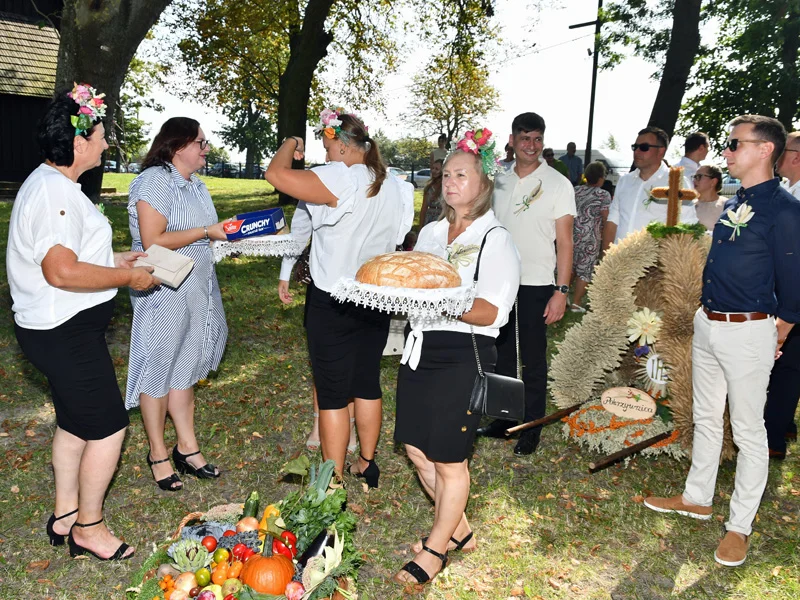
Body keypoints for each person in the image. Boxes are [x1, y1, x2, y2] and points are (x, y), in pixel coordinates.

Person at [7, 85, 158, 560]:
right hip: (63, 331)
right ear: (77, 143)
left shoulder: (53, 185)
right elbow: (61, 271)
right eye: (99, 136)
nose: (106, 144)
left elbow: (65, 257)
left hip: (55, 328)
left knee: (75, 424)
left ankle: (65, 515)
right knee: (109, 427)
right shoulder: (55, 193)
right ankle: (89, 528)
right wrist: (128, 276)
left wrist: (113, 258)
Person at [644, 115, 800, 567]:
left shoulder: (786, 211)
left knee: (750, 430)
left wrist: (780, 331)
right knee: (708, 416)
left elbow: (794, 282)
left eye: (735, 144)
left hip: (749, 328)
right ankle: (698, 496)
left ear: (765, 150)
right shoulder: (737, 201)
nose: (726, 152)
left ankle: (740, 526)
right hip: (709, 323)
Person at [393, 131, 520, 591]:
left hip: (464, 354)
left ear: (483, 181)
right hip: (420, 347)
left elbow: (492, 311)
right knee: (414, 447)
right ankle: (459, 530)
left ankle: (435, 549)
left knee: (449, 460)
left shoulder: (496, 239)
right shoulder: (428, 232)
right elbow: (413, 283)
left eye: (460, 174)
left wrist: (442, 300)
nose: (449, 182)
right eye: (445, 174)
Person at [270, 108, 413, 482]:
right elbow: (396, 241)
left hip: (332, 300)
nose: (327, 157)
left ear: (345, 146)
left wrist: (291, 142)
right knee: (366, 381)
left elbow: (276, 175)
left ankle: (331, 482)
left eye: (328, 148)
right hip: (375, 298)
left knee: (333, 393)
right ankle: (367, 462)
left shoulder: (342, 177)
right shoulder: (397, 186)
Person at [127, 117, 230, 491]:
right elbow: (153, 238)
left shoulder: (197, 185)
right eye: (201, 142)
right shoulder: (156, 180)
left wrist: (225, 238)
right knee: (159, 368)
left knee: (185, 366)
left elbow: (206, 235)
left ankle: (187, 448)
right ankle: (157, 453)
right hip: (163, 289)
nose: (206, 149)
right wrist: (206, 232)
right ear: (178, 144)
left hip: (197, 287)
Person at [478, 112, 576, 455]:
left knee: (532, 358)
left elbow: (565, 242)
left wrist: (561, 291)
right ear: (512, 140)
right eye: (524, 139)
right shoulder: (498, 177)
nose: (531, 146)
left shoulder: (558, 183)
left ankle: (532, 425)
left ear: (543, 141)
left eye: (537, 139)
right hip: (496, 280)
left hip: (536, 282)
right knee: (499, 353)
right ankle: (505, 419)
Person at [764, 130, 800, 458]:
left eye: (783, 150)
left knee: (787, 366)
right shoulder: (788, 190)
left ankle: (773, 440)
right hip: (783, 290)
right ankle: (786, 423)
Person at [601, 126, 696, 250]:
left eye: (644, 147)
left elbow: (687, 226)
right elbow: (613, 221)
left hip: (654, 266)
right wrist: (605, 258)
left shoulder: (677, 183)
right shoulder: (625, 181)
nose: (637, 152)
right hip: (620, 262)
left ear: (661, 151)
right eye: (635, 147)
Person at [570, 161, 612, 312]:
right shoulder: (603, 195)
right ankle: (575, 303)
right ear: (601, 178)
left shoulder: (575, 190)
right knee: (585, 271)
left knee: (570, 267)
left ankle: (562, 295)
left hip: (572, 235)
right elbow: (606, 217)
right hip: (591, 238)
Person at [692, 165, 727, 230]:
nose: (694, 181)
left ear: (713, 182)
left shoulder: (727, 206)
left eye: (699, 177)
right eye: (694, 177)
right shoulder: (689, 205)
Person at [418, 158, 443, 226]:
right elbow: (424, 209)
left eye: (437, 169)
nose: (433, 171)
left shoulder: (446, 187)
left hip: (441, 220)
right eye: (433, 168)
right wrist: (421, 227)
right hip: (429, 220)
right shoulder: (429, 187)